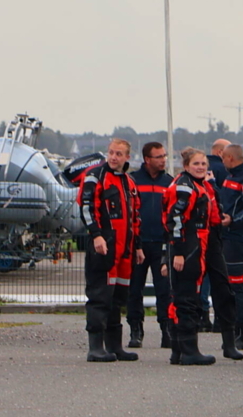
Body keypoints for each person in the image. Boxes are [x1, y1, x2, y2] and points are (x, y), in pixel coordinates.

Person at [80, 138, 144, 363]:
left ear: (127, 157)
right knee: (99, 296)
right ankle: (95, 348)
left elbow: (135, 217)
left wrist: (137, 247)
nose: (114, 157)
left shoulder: (130, 182)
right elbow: (86, 208)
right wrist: (96, 235)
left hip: (125, 250)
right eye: (111, 153)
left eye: (119, 154)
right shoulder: (95, 176)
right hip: (104, 246)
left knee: (118, 298)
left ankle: (115, 346)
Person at [162, 148, 219, 366]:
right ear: (186, 166)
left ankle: (179, 351)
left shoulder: (195, 184)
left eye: (204, 164)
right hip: (188, 246)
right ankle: (188, 350)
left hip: (194, 244)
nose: (201, 167)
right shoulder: (185, 186)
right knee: (186, 299)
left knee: (182, 298)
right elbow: (174, 219)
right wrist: (177, 253)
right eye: (196, 164)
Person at [126, 142, 174, 349]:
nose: (163, 160)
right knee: (134, 289)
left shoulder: (169, 182)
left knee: (165, 290)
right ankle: (136, 330)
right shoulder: (133, 181)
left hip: (162, 244)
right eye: (158, 157)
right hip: (138, 244)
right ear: (147, 159)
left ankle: (167, 330)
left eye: (164, 156)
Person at [218, 143, 243, 350]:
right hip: (228, 236)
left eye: (223, 157)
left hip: (237, 237)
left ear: (230, 158)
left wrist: (231, 220)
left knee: (237, 285)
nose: (222, 161)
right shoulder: (231, 176)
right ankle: (236, 328)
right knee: (230, 285)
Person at [200, 138, 231, 331]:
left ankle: (202, 313)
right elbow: (223, 198)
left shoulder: (202, 170)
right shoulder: (223, 171)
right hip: (217, 229)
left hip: (201, 231)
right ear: (221, 152)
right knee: (217, 275)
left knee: (201, 273)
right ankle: (219, 318)